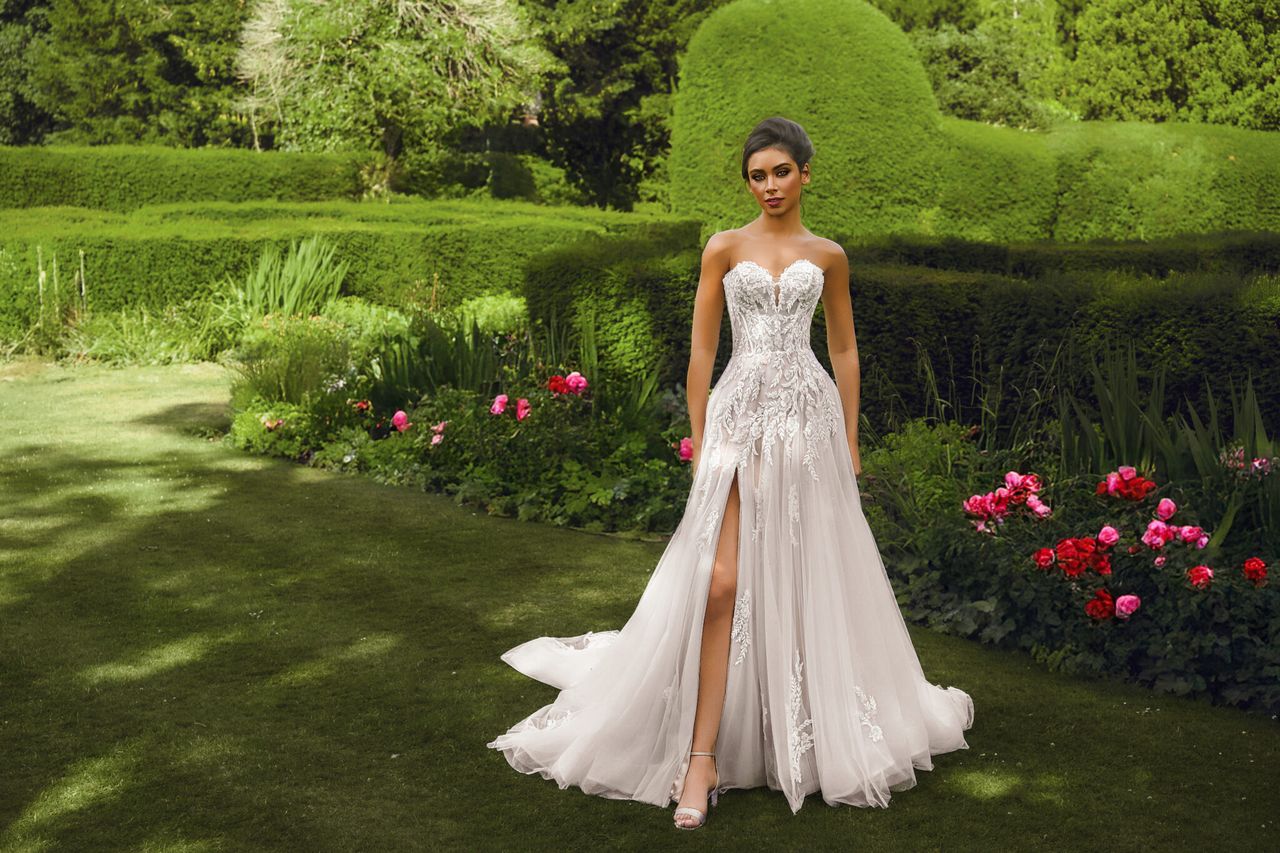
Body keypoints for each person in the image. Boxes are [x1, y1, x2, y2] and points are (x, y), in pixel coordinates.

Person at [487, 116, 974, 829]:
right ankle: (700, 758)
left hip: (807, 427)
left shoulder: (829, 256)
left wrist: (849, 439)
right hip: (739, 422)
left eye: (781, 171)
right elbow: (699, 357)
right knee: (720, 581)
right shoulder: (723, 247)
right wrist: (701, 442)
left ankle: (799, 736)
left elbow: (843, 353)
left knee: (807, 577)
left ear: (807, 173)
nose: (769, 185)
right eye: (757, 174)